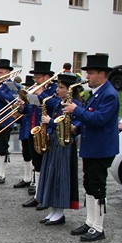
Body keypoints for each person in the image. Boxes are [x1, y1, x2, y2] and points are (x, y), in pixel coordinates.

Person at [62, 54, 120, 242]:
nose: (87, 77)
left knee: (97, 186)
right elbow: (89, 116)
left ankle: (99, 227)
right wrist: (76, 127)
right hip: (91, 147)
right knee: (89, 184)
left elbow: (99, 119)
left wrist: (75, 110)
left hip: (101, 148)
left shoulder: (109, 94)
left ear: (102, 74)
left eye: (91, 73)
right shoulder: (97, 93)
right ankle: (90, 221)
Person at [35, 73, 81, 226]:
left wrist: (50, 122)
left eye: (61, 87)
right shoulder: (58, 103)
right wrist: (47, 132)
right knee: (51, 175)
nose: (57, 90)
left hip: (64, 145)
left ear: (69, 90)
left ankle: (59, 212)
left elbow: (70, 125)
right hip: (54, 142)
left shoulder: (74, 105)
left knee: (60, 176)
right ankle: (53, 210)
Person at [19, 62, 58, 207]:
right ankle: (38, 195)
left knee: (46, 164)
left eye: (37, 77)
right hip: (33, 130)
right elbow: (29, 109)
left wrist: (41, 93)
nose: (35, 80)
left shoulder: (54, 89)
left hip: (46, 131)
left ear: (47, 77)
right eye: (34, 77)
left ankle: (46, 196)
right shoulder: (34, 89)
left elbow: (56, 105)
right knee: (37, 164)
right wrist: (22, 107)